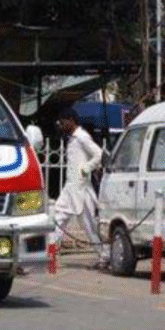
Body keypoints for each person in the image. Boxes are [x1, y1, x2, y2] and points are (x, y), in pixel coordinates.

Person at [51, 107, 108, 269]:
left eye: (62, 122)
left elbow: (98, 154)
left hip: (82, 190)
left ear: (71, 120)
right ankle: (50, 252)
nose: (61, 126)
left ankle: (104, 257)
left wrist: (87, 168)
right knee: (58, 218)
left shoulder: (82, 137)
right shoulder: (72, 138)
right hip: (70, 189)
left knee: (89, 226)